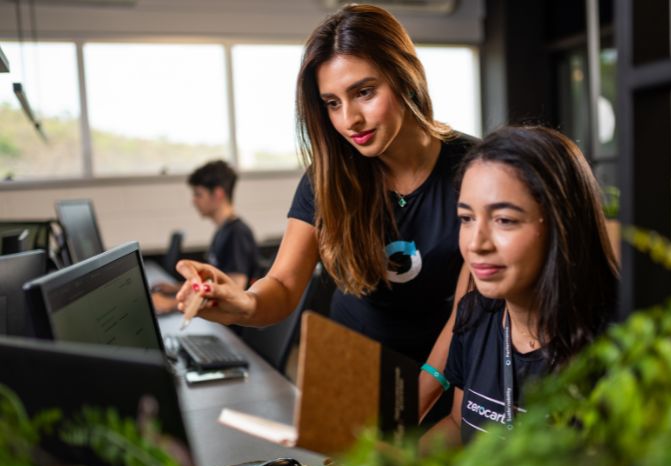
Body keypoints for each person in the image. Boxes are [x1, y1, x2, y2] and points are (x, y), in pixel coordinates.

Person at [174, 4, 476, 390]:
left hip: (443, 370)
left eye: (364, 92)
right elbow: (282, 286)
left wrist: (418, 397)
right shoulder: (328, 177)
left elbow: (468, 315)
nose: (349, 120)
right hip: (348, 366)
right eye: (332, 103)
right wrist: (244, 302)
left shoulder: (476, 170)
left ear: (406, 76)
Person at [421, 125, 619, 447]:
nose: (476, 243)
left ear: (562, 225)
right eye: (466, 218)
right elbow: (458, 423)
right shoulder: (474, 317)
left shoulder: (616, 343)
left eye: (504, 220)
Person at [151, 159, 259, 314]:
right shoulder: (223, 230)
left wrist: (172, 304)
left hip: (231, 327)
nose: (193, 201)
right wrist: (177, 288)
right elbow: (214, 281)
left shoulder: (237, 234)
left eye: (198, 194)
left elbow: (234, 289)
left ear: (218, 194)